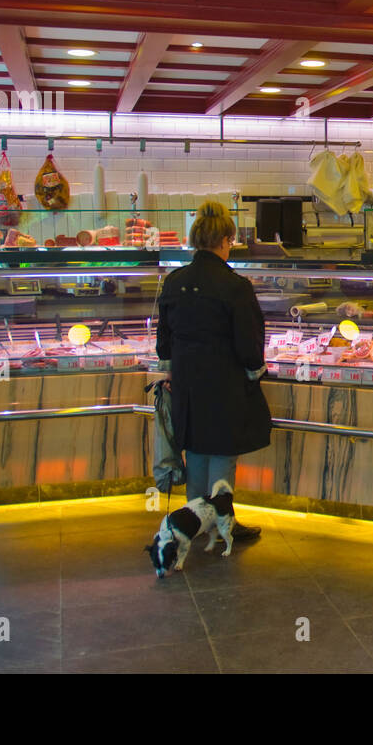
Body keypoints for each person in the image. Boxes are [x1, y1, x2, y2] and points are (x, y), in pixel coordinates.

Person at [156, 201, 270, 538]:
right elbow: (249, 345)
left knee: (196, 451)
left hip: (187, 385)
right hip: (224, 385)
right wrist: (255, 371)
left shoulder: (174, 281)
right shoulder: (235, 286)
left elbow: (164, 340)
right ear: (225, 239)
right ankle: (223, 527)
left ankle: (195, 523)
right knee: (221, 454)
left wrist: (172, 369)